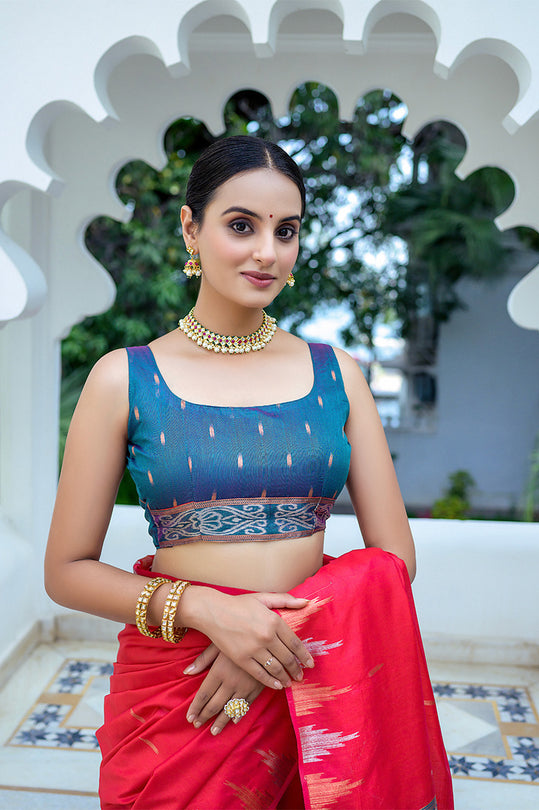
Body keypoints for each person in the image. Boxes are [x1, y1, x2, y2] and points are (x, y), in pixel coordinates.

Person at [45, 135, 453, 810]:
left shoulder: (337, 375)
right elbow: (66, 571)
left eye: (285, 230)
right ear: (190, 228)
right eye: (241, 226)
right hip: (184, 695)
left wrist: (267, 643)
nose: (267, 251)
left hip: (309, 678)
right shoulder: (123, 379)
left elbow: (393, 557)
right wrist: (209, 612)